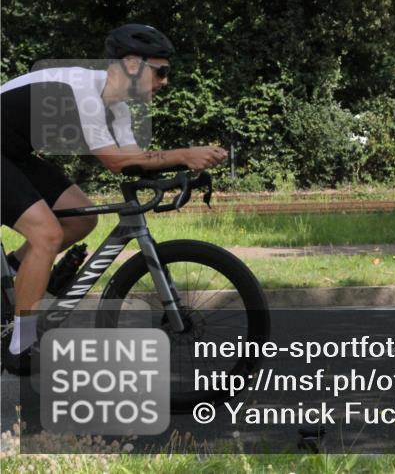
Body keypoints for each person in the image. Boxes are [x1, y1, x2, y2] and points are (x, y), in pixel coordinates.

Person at [0, 24, 228, 374]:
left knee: (81, 220)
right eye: (161, 71)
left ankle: (16, 272)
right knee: (47, 234)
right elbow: (114, 160)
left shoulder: (118, 108)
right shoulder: (82, 89)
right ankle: (20, 346)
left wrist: (183, 172)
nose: (166, 81)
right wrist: (185, 153)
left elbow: (133, 164)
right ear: (133, 64)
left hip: (14, 153)